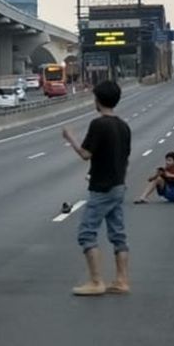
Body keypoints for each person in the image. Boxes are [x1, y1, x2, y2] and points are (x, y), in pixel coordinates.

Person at [63, 80, 132, 296]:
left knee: (87, 233)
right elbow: (124, 157)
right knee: (118, 234)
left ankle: (96, 281)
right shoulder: (123, 126)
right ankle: (121, 281)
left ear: (98, 100)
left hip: (102, 188)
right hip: (118, 184)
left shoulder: (99, 124)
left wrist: (70, 137)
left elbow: (85, 154)